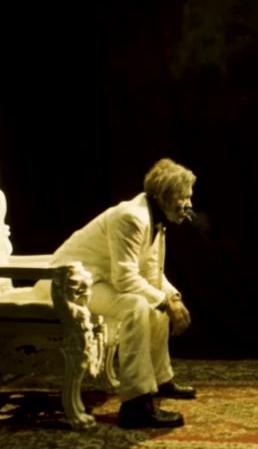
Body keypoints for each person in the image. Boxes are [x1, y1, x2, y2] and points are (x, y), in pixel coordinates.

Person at [45, 158, 199, 429]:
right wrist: (165, 301)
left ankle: (160, 379)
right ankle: (136, 405)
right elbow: (126, 278)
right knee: (137, 306)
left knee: (157, 302)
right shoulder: (131, 217)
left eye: (189, 197)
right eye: (183, 197)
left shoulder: (154, 219)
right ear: (163, 196)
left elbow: (150, 274)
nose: (189, 205)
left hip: (96, 280)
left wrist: (172, 298)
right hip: (69, 285)